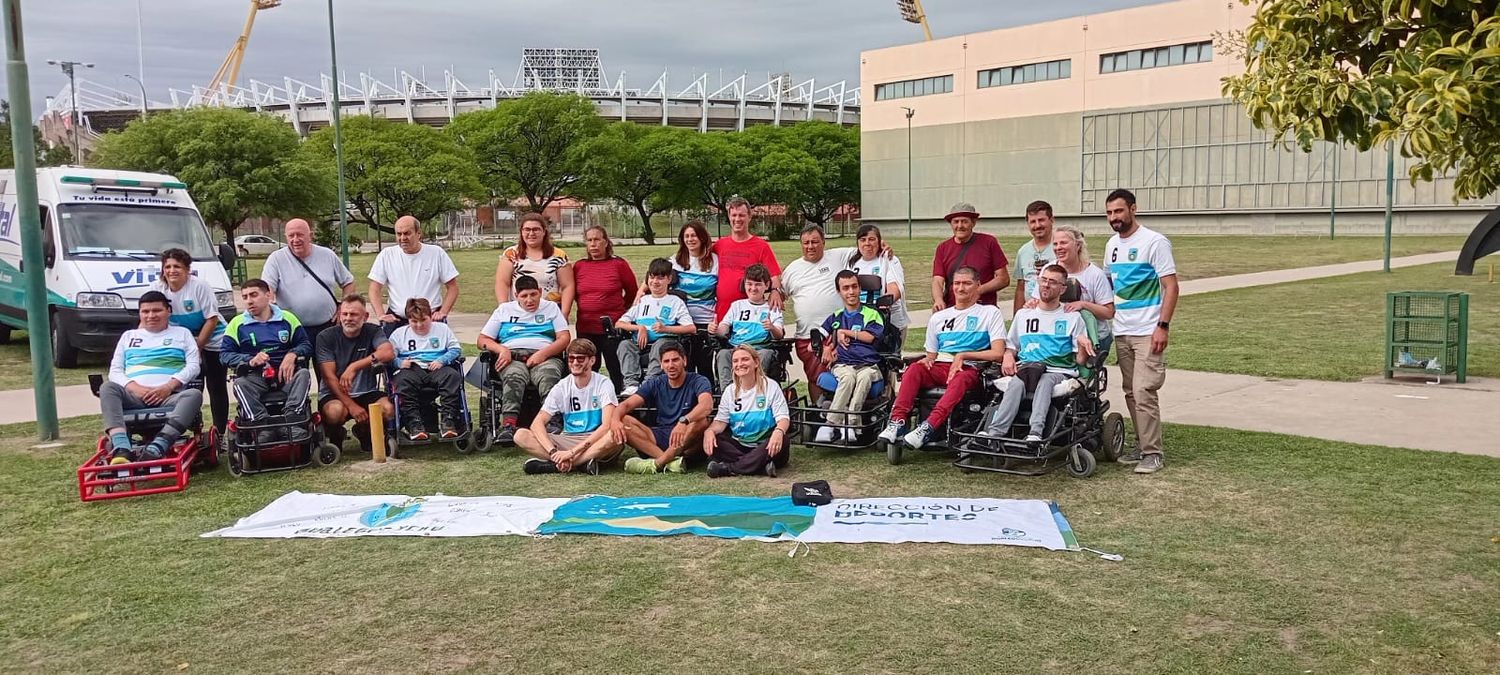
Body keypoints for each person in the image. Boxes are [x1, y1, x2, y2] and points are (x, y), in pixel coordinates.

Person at [879, 267, 1007, 450]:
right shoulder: (939, 317)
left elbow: (998, 353)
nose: (961, 288)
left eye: (967, 283)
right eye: (957, 283)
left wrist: (963, 355)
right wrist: (924, 362)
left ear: (978, 285)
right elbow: (931, 356)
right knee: (915, 369)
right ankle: (897, 422)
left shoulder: (989, 313)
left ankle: (928, 427)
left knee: (960, 377)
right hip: (941, 365)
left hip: (971, 368)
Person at [1103, 188, 1178, 475]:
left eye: (1119, 211)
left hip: (1148, 331)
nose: (1114, 218)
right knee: (1130, 393)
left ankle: (1153, 454)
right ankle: (1142, 445)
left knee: (1143, 390)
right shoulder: (1112, 245)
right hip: (1122, 329)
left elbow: (1171, 286)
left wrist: (1162, 326)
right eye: (1110, 213)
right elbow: (1109, 285)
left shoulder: (1154, 242)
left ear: (1133, 209)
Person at [981, 265, 1095, 444]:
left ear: (1063, 288)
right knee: (1016, 384)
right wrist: (1008, 356)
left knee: (1045, 381)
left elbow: (1080, 360)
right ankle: (994, 432)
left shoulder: (1072, 318)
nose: (1046, 285)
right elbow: (1011, 346)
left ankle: (1036, 431)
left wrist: (1082, 345)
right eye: (1044, 280)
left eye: (1053, 282)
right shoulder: (1024, 315)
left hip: (1058, 370)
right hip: (1027, 369)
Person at [100, 291, 202, 463]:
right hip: (133, 397)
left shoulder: (182, 334)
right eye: (145, 311)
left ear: (168, 311)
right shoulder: (129, 336)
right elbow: (115, 371)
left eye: (156, 311)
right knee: (107, 387)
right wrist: (136, 389)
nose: (151, 315)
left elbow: (193, 366)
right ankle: (122, 447)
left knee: (194, 395)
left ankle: (160, 444)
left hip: (169, 397)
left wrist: (168, 387)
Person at [477, 274, 572, 445]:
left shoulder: (551, 308)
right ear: (516, 296)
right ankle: (508, 425)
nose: (529, 300)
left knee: (548, 377)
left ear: (540, 292)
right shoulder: (504, 310)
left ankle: (553, 423)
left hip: (545, 355)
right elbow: (482, 340)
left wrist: (543, 354)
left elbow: (564, 338)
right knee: (514, 376)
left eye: (534, 294)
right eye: (524, 296)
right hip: (512, 356)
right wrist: (501, 349)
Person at [220, 279, 314, 441]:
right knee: (240, 384)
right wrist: (250, 360)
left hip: (286, 374)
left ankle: (291, 423)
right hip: (255, 375)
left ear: (268, 295)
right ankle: (262, 426)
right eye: (245, 296)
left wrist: (292, 354)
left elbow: (306, 344)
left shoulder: (287, 319)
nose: (249, 300)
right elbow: (225, 355)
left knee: (304, 374)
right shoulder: (237, 324)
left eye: (254, 295)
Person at [515, 339, 625, 475]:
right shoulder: (562, 386)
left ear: (592, 361)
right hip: (569, 438)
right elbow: (537, 423)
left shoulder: (603, 383)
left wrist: (572, 453)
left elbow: (606, 426)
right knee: (520, 435)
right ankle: (578, 462)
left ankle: (565, 464)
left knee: (615, 436)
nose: (574, 363)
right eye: (571, 358)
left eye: (580, 359)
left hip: (595, 438)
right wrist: (553, 451)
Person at [151, 248, 228, 436]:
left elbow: (212, 319)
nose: (171, 271)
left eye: (177, 266)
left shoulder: (199, 286)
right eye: (167, 266)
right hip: (184, 341)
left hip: (213, 340)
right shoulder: (158, 289)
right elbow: (150, 316)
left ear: (187, 269)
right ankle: (196, 433)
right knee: (192, 388)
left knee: (216, 386)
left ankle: (220, 433)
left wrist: (198, 346)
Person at [780, 224, 861, 403]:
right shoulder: (793, 269)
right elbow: (781, 293)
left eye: (815, 242)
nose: (811, 246)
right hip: (807, 336)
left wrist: (883, 245)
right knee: (814, 376)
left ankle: (843, 412)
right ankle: (819, 412)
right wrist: (774, 295)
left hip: (837, 333)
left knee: (841, 374)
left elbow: (865, 247)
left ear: (823, 242)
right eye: (806, 242)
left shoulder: (838, 256)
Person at [611, 340, 714, 474]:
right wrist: (614, 420)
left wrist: (684, 421)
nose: (671, 365)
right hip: (660, 435)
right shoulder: (656, 382)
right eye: (666, 361)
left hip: (687, 438)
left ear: (684, 361)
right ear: (661, 364)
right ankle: (670, 462)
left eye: (675, 360)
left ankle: (658, 463)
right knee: (623, 419)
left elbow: (707, 406)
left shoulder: (698, 380)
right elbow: (626, 405)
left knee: (702, 421)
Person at [315, 294, 395, 454]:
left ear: (365, 316)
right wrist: (351, 406)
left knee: (388, 409)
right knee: (335, 412)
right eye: (345, 314)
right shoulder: (325, 337)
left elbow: (388, 352)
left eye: (354, 314)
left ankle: (364, 430)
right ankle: (336, 434)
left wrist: (355, 366)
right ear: (339, 314)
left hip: (367, 391)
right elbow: (328, 377)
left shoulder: (373, 331)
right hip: (335, 393)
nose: (348, 318)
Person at [260, 218, 356, 345]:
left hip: (327, 327)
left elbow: (348, 282)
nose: (295, 239)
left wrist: (344, 307)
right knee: (294, 364)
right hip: (292, 329)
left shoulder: (327, 255)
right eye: (291, 236)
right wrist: (271, 307)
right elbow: (267, 289)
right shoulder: (276, 259)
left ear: (310, 236)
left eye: (300, 235)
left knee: (328, 364)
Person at [816, 270, 886, 443]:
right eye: (845, 288)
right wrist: (824, 346)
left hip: (868, 365)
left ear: (859, 288)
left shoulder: (872, 314)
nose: (851, 292)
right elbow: (817, 336)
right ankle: (834, 425)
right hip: (843, 364)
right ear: (839, 292)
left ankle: (848, 424)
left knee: (863, 378)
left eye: (854, 287)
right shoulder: (836, 316)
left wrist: (844, 332)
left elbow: (870, 337)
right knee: (847, 378)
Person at [703, 345, 792, 478]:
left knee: (783, 438)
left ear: (756, 362)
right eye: (735, 361)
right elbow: (720, 422)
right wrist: (709, 431)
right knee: (714, 439)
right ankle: (760, 466)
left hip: (766, 445)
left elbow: (783, 418)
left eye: (745, 359)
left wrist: (778, 432)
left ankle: (728, 468)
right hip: (740, 445)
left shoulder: (771, 386)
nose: (740, 364)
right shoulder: (730, 391)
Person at [368, 215, 460, 335]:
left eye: (407, 233)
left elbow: (453, 287)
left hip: (429, 320)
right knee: (388, 352)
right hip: (397, 321)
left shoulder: (436, 253)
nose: (402, 238)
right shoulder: (386, 255)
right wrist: (381, 315)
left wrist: (443, 312)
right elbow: (374, 288)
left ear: (418, 233)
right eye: (399, 234)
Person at [615, 258, 694, 397]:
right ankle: (631, 385)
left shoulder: (675, 301)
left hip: (663, 342)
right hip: (640, 342)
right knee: (624, 345)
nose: (655, 282)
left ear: (669, 279)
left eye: (660, 278)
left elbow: (690, 328)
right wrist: (640, 328)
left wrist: (666, 329)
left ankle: (649, 382)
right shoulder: (643, 301)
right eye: (652, 277)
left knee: (661, 345)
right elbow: (619, 323)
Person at [388, 298, 464, 440]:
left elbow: (455, 349)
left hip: (436, 366)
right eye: (414, 321)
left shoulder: (442, 329)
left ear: (430, 316)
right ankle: (414, 424)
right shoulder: (399, 334)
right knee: (402, 381)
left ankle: (449, 420)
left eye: (423, 320)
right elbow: (388, 356)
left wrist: (442, 360)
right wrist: (399, 362)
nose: (419, 325)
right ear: (408, 320)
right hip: (411, 368)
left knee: (452, 376)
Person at [573, 225, 637, 392]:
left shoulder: (618, 264)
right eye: (589, 240)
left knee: (615, 368)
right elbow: (572, 293)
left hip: (612, 329)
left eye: (597, 239)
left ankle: (618, 404)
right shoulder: (579, 266)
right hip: (586, 327)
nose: (593, 244)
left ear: (606, 242)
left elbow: (632, 292)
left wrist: (620, 313)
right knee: (587, 369)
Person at [709, 263, 784, 388]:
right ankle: (728, 392)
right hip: (737, 349)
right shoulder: (737, 305)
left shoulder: (772, 308)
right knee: (723, 354)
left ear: (766, 285)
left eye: (758, 284)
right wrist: (715, 330)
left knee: (766, 354)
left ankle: (757, 388)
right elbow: (724, 329)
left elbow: (779, 335)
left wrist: (771, 327)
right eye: (749, 284)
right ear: (744, 285)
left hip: (759, 349)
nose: (753, 288)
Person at [711, 197, 784, 321]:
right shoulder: (719, 245)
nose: (737, 219)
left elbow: (774, 275)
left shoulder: (761, 246)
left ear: (749, 217)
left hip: (748, 316)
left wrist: (775, 291)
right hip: (723, 312)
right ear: (729, 217)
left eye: (741, 215)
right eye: (734, 215)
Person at [1049, 224, 1116, 355]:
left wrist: (1083, 304)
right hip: (1058, 337)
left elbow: (1109, 312)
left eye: (1063, 243)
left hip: (1093, 337)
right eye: (1055, 244)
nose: (1058, 248)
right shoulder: (1049, 270)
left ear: (1078, 245)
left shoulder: (1095, 274)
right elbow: (1039, 300)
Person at [931, 202, 1011, 311]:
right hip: (953, 310)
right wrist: (938, 299)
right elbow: (937, 280)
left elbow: (1003, 279)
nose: (960, 226)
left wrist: (978, 290)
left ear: (973, 223)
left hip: (984, 309)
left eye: (964, 221)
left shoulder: (989, 242)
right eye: (956, 222)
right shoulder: (943, 248)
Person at [496, 212, 575, 318]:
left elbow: (567, 286)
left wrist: (564, 314)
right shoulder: (511, 254)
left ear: (544, 232)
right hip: (519, 313)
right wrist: (504, 309)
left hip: (550, 314)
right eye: (527, 229)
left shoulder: (559, 256)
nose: (531, 233)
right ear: (521, 232)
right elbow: (502, 283)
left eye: (536, 229)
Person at [670, 221, 719, 377]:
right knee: (686, 366)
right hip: (683, 322)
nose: (690, 239)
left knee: (705, 365)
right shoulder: (675, 261)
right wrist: (640, 292)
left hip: (706, 320)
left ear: (702, 238)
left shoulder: (715, 261)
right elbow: (655, 276)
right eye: (687, 236)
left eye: (694, 235)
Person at [848, 224, 908, 346]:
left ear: (879, 241)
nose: (867, 243)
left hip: (889, 322)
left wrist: (884, 302)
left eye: (872, 239)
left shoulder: (889, 260)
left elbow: (894, 287)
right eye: (862, 239)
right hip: (860, 322)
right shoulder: (852, 263)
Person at [1013, 201, 1058, 316]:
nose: (1037, 225)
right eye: (1032, 221)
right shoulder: (1023, 251)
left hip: (1056, 312)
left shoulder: (1061, 247)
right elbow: (1021, 287)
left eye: (1041, 220)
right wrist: (1017, 317)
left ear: (1052, 220)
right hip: (1031, 313)